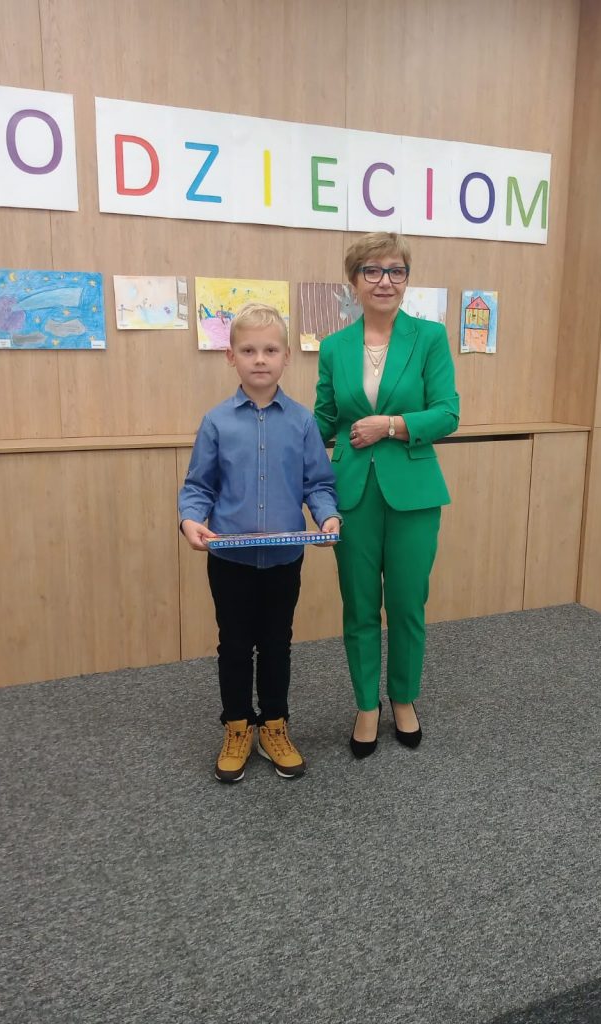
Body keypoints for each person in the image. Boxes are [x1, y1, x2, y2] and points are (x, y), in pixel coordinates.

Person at [179, 302, 340, 783]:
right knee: (233, 645)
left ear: (287, 357)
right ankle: (236, 727)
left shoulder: (303, 423)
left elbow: (318, 483)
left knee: (276, 644)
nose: (260, 359)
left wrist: (328, 516)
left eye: (270, 350)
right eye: (248, 350)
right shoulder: (216, 422)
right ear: (231, 357)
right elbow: (198, 487)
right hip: (229, 561)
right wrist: (190, 520)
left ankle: (274, 725)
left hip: (284, 559)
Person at [314, 232, 459, 758]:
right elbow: (323, 419)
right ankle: (365, 706)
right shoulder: (334, 347)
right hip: (352, 492)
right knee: (358, 605)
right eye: (372, 271)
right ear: (354, 280)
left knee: (406, 602)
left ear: (406, 279)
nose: (385, 281)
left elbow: (447, 412)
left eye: (396, 271)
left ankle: (403, 698)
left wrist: (391, 425)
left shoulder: (430, 337)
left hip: (414, 492)